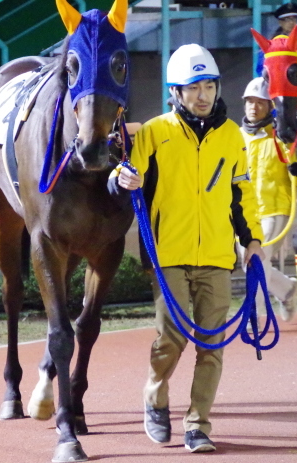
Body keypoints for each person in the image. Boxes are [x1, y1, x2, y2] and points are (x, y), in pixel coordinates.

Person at [114, 44, 264, 453]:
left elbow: (241, 194)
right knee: (171, 338)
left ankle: (198, 425)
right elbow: (128, 178)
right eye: (193, 87)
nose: (203, 95)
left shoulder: (233, 135)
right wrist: (119, 179)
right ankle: (155, 394)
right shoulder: (155, 133)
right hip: (169, 257)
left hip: (217, 256)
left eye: (209, 86)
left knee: (211, 345)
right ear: (175, 93)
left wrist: (251, 239)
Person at [239, 77, 297, 321]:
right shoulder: (235, 136)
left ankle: (255, 314)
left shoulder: (280, 136)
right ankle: (286, 289)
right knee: (248, 262)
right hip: (242, 212)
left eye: (260, 102)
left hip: (274, 208)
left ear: (270, 106)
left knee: (256, 260)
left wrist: (296, 164)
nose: (254, 107)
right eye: (250, 102)